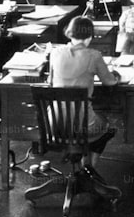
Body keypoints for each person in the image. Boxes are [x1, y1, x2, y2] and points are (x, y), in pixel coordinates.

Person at [48, 16, 120, 168]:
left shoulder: (55, 53)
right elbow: (109, 82)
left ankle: (83, 164)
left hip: (54, 123)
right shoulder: (94, 55)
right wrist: (115, 75)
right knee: (108, 124)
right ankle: (90, 168)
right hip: (82, 126)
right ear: (90, 36)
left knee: (88, 119)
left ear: (69, 33)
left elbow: (50, 83)